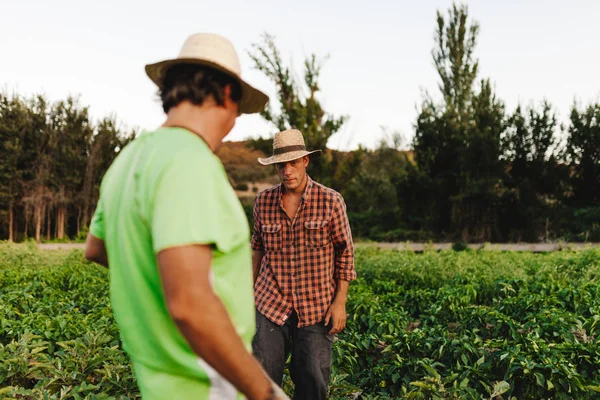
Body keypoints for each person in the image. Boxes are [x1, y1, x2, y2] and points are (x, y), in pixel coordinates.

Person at [84, 33, 288, 400]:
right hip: (207, 383)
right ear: (227, 94)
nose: (234, 122)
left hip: (159, 382)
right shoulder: (191, 162)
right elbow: (190, 304)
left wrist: (159, 277)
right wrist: (266, 392)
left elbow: (95, 249)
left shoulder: (127, 161)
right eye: (239, 108)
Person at [251, 129, 356, 400]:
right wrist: (247, 295)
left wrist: (340, 302)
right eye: (281, 165)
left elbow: (345, 253)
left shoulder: (331, 201)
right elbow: (257, 248)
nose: (287, 171)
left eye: (293, 163)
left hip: (316, 307)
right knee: (261, 380)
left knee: (313, 382)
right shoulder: (263, 202)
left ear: (305, 162)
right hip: (270, 303)